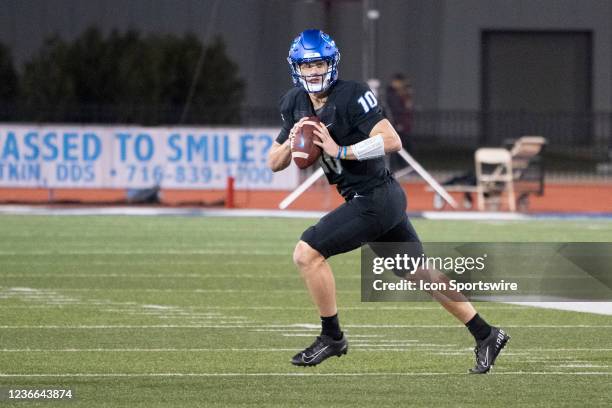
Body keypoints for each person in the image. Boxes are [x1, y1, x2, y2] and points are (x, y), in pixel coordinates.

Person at [267, 29, 509, 373]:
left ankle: (332, 336)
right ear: (296, 69)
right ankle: (487, 334)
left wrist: (342, 151)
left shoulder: (351, 95)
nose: (313, 72)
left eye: (319, 63)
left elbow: (391, 139)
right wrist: (291, 142)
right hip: (374, 200)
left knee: (307, 254)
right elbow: (273, 163)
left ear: (331, 63)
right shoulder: (293, 102)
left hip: (376, 197)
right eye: (306, 66)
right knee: (420, 273)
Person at [385, 73, 414, 171]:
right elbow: (396, 110)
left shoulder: (402, 93)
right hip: (397, 124)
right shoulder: (392, 94)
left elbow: (408, 108)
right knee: (397, 148)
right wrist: (397, 123)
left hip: (404, 125)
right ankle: (397, 168)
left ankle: (404, 167)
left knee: (406, 146)